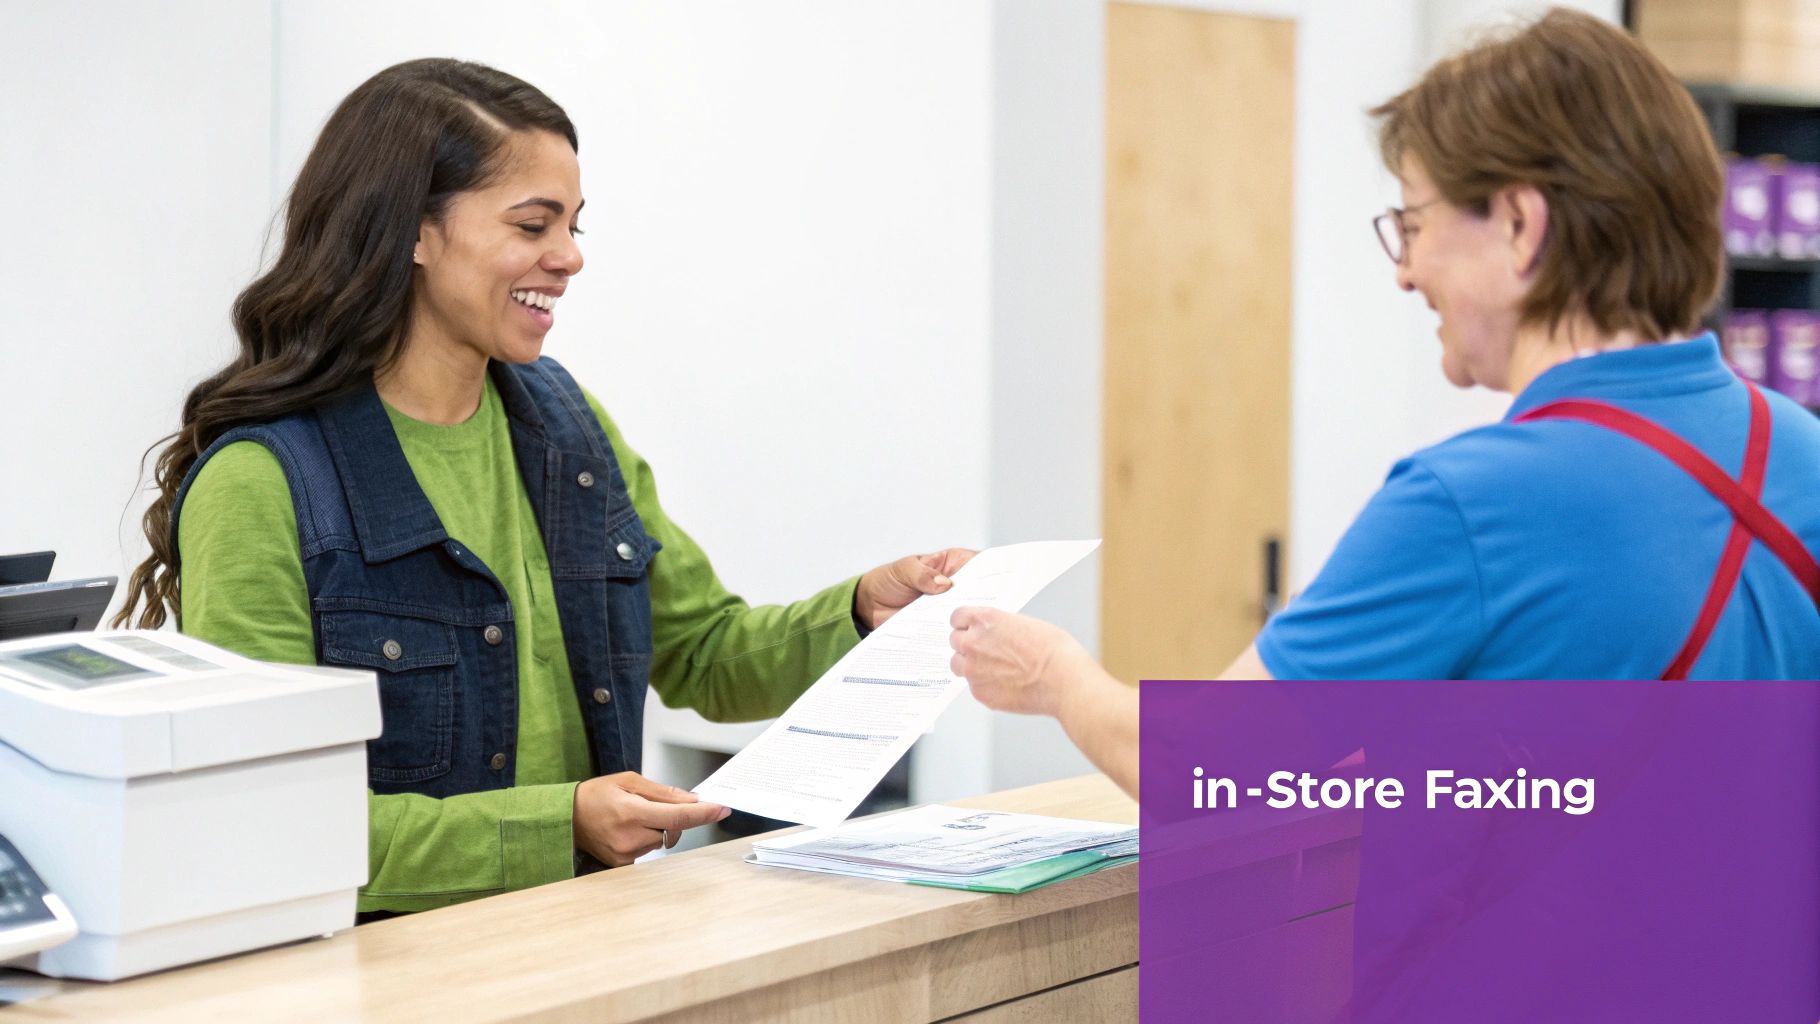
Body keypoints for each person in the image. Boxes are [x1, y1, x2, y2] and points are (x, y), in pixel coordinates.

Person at [115, 59, 971, 915]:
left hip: (581, 951)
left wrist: (862, 610)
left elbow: (705, 655)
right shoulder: (261, 485)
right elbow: (275, 825)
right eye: (532, 225)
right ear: (412, 231)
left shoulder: (569, 429)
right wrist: (557, 824)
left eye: (574, 225)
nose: (568, 258)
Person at [949, 8, 1820, 800]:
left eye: (1414, 223)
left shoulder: (1475, 503)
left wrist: (1059, 677)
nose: (1405, 271)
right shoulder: (1799, 453)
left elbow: (1207, 763)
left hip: (1529, 981)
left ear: (1521, 224)